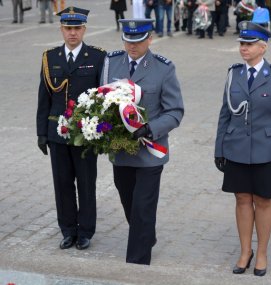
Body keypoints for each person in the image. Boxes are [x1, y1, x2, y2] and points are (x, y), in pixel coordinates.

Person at [100, 19, 184, 265]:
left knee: (142, 206)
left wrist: (150, 129)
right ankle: (146, 235)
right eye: (128, 40)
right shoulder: (110, 62)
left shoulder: (163, 69)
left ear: (150, 39)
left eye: (137, 41)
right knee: (129, 201)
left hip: (150, 151)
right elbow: (100, 99)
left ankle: (136, 263)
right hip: (121, 150)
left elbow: (175, 111)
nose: (132, 46)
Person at [214, 21, 271, 277]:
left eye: (248, 44)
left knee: (263, 200)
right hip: (236, 148)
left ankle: (262, 253)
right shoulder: (233, 74)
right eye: (242, 44)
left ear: (263, 47)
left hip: (266, 150)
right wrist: (219, 148)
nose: (243, 49)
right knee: (242, 199)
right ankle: (245, 251)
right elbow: (224, 114)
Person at [36, 7, 107, 250]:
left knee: (86, 183)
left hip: (85, 133)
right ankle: (67, 230)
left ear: (84, 29)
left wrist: (101, 132)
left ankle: (85, 231)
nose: (72, 33)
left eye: (77, 28)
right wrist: (41, 132)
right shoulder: (50, 57)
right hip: (57, 133)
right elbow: (44, 97)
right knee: (62, 183)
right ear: (61, 30)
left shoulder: (97, 57)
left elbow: (103, 98)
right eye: (68, 28)